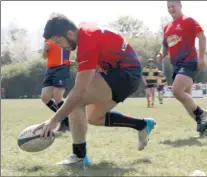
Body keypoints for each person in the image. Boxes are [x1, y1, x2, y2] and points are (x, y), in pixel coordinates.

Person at [34, 13, 156, 166]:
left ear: (70, 33)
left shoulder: (87, 43)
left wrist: (54, 120)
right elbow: (103, 48)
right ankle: (142, 124)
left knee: (76, 101)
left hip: (124, 73)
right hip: (125, 73)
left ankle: (79, 157)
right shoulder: (85, 31)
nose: (60, 47)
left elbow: (78, 92)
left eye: (59, 42)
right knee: (93, 117)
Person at [157, 1, 207, 136]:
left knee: (176, 91)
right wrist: (161, 53)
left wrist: (201, 57)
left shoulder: (188, 21)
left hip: (189, 62)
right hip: (176, 65)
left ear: (180, 6)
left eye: (173, 6)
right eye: (168, 7)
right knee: (187, 100)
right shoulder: (167, 27)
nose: (171, 9)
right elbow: (165, 45)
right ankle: (206, 129)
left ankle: (201, 113)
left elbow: (201, 36)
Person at [41, 39, 72, 132]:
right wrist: (45, 50)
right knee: (45, 97)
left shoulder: (64, 36)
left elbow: (71, 48)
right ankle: (67, 119)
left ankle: (64, 123)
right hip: (50, 69)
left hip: (62, 67)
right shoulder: (47, 39)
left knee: (57, 95)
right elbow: (44, 57)